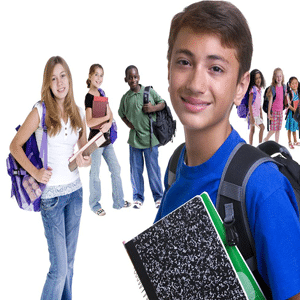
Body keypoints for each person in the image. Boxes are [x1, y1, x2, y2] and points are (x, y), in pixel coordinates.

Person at [154, 1, 300, 299]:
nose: (196, 83)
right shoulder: (174, 168)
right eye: (184, 62)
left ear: (240, 86)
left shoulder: (263, 187)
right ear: (168, 69)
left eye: (216, 68)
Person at [10, 56, 91, 299]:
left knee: (69, 266)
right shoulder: (40, 110)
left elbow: (83, 149)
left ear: (69, 77)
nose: (59, 82)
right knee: (58, 270)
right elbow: (15, 146)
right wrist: (35, 172)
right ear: (48, 83)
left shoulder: (78, 112)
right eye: (53, 78)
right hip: (52, 200)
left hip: (75, 194)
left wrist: (84, 159)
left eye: (62, 75)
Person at [85, 64, 130, 216]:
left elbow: (111, 114)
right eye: (96, 75)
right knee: (95, 173)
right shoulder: (89, 97)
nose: (99, 78)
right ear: (90, 76)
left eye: (101, 75)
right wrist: (105, 119)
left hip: (106, 139)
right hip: (96, 140)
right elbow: (89, 122)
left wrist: (108, 124)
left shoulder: (102, 94)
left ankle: (118, 201)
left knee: (116, 169)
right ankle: (94, 204)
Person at [118, 66, 165, 209]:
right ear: (125, 79)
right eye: (130, 77)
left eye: (135, 77)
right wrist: (128, 124)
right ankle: (138, 197)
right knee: (136, 170)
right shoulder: (126, 98)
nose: (133, 80)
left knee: (153, 170)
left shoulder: (149, 92)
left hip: (151, 140)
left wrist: (152, 108)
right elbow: (121, 114)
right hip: (135, 140)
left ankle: (159, 197)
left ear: (139, 77)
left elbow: (162, 103)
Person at [264, 68, 286, 143]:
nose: (279, 78)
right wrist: (269, 113)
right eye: (277, 76)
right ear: (274, 77)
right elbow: (270, 101)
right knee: (273, 129)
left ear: (282, 77)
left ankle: (277, 143)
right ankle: (266, 139)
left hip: (280, 112)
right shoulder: (273, 88)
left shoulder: (284, 87)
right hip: (274, 112)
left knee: (278, 129)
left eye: (280, 76)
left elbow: (286, 97)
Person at [247, 69, 265, 145]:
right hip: (252, 114)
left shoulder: (259, 89)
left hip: (257, 114)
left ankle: (259, 144)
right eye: (256, 78)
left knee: (259, 128)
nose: (258, 80)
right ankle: (252, 145)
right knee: (253, 129)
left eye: (259, 78)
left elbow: (258, 103)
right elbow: (250, 103)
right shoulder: (253, 89)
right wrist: (251, 116)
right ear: (253, 80)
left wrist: (261, 113)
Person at [285, 77, 300, 149]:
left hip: (296, 114)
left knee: (294, 127)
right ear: (290, 85)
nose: (295, 85)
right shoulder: (289, 94)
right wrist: (294, 110)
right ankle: (289, 142)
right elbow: (288, 105)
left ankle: (295, 141)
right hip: (291, 114)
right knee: (290, 128)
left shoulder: (298, 93)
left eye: (296, 83)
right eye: (293, 83)